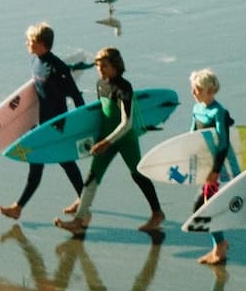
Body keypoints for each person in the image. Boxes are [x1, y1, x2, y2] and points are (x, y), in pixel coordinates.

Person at [56, 47, 165, 236]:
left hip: (124, 139)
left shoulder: (124, 88)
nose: (100, 69)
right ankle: (79, 220)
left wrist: (106, 142)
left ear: (116, 66)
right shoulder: (100, 84)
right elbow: (101, 114)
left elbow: (127, 123)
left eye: (104, 65)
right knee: (92, 177)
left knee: (137, 174)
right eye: (98, 65)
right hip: (105, 138)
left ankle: (157, 213)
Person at [0, 23, 90, 222]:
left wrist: (80, 123)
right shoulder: (35, 61)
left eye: (30, 41)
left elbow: (75, 95)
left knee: (63, 162)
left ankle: (84, 208)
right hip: (41, 124)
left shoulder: (56, 67)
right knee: (42, 163)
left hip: (57, 125)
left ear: (42, 44)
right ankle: (19, 207)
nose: (27, 44)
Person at [184, 69, 238, 267]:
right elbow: (192, 135)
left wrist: (215, 171)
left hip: (218, 167)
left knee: (206, 208)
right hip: (204, 166)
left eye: (196, 89)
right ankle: (219, 244)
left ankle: (220, 246)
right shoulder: (197, 108)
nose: (193, 92)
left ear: (209, 90)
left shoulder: (218, 112)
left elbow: (223, 144)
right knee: (202, 208)